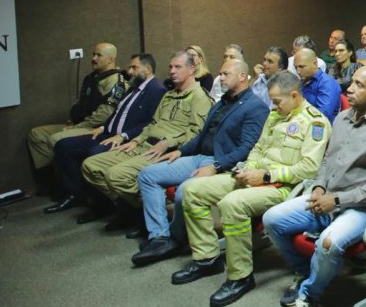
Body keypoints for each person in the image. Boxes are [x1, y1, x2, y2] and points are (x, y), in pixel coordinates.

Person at [174, 70, 331, 305]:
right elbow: (258, 148)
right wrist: (250, 168)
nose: (274, 106)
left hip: (284, 187)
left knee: (232, 203)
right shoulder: (274, 115)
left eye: (277, 101)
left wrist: (265, 176)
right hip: (255, 176)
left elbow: (308, 169)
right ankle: (207, 258)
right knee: (191, 190)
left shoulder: (315, 122)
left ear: (295, 96)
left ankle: (240, 277)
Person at [263, 65, 366, 307]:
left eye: (359, 86)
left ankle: (311, 294)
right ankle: (305, 272)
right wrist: (320, 187)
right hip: (327, 197)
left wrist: (336, 201)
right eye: (351, 82)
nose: (349, 89)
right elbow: (328, 161)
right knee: (271, 219)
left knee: (329, 243)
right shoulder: (342, 118)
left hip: (364, 208)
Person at [132, 58, 268, 266]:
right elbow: (203, 135)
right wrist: (180, 151)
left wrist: (215, 166)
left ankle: (176, 240)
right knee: (147, 175)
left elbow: (246, 149)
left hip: (221, 163)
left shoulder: (255, 107)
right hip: (198, 157)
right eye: (220, 73)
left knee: (183, 192)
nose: (220, 77)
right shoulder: (221, 103)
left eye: (225, 74)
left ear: (242, 76)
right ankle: (160, 236)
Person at [80, 51, 214, 232]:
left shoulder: (200, 97)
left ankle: (143, 214)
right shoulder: (169, 95)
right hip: (145, 144)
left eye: (178, 67)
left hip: (166, 150)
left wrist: (168, 142)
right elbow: (152, 124)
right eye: (170, 67)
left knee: (116, 175)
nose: (172, 71)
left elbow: (196, 134)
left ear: (191, 69)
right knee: (91, 165)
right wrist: (136, 140)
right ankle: (137, 209)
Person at [46, 54, 167, 214]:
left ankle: (102, 205)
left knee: (92, 155)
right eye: (130, 67)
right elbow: (117, 112)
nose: (129, 71)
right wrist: (103, 128)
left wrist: (123, 136)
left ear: (148, 69)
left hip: (125, 139)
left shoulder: (157, 91)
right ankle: (75, 193)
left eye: (134, 67)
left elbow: (149, 123)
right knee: (64, 146)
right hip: (107, 133)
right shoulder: (133, 87)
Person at [28, 42, 127, 183]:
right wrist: (74, 121)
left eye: (99, 55)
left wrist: (76, 127)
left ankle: (68, 183)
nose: (94, 58)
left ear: (111, 59)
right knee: (36, 135)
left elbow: (104, 114)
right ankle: (53, 179)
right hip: (80, 123)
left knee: (56, 139)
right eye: (93, 54)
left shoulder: (116, 81)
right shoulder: (92, 78)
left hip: (95, 128)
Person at [295, 49, 342, 123]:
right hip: (303, 123)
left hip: (320, 128)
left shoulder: (327, 83)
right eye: (296, 67)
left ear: (315, 64)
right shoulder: (303, 81)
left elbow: (323, 115)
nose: (298, 71)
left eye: (301, 67)